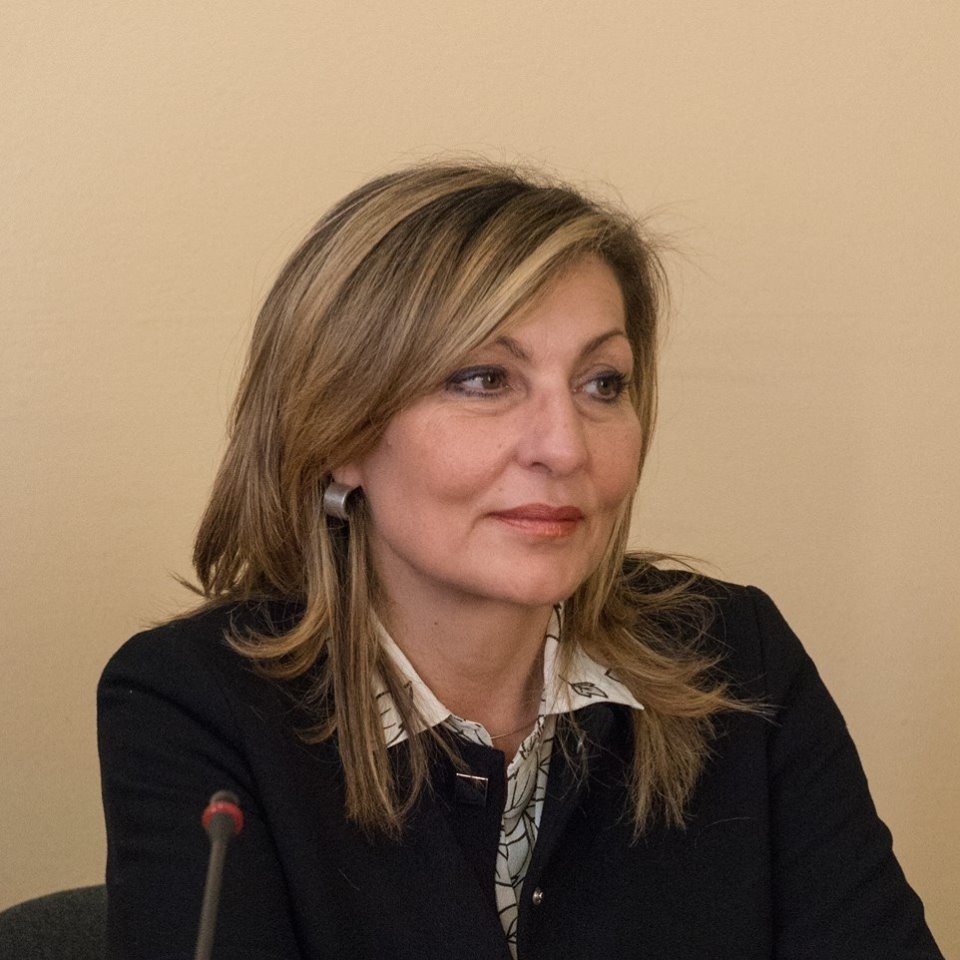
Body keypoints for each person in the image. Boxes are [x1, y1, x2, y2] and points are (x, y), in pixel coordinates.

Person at [97, 162, 943, 959]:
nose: (564, 446)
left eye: (602, 383)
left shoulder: (733, 655)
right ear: (339, 434)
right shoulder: (196, 702)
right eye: (483, 380)